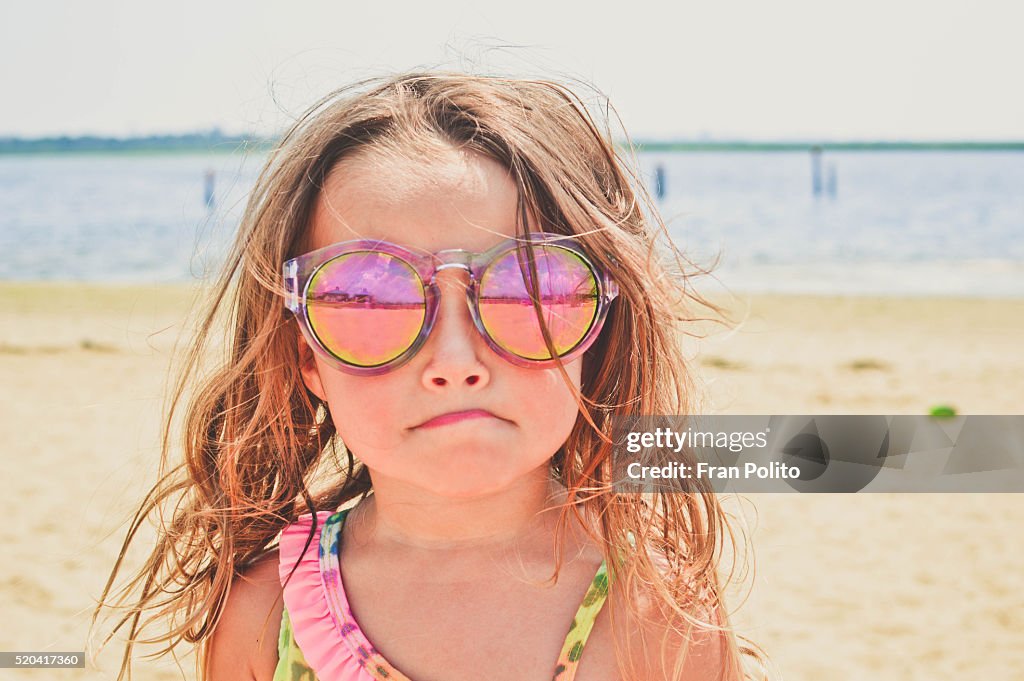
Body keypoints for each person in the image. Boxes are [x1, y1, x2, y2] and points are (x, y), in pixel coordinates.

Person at [89, 72, 768, 681]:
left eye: (527, 289)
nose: (455, 361)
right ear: (305, 358)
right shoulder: (265, 615)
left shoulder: (658, 615)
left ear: (595, 326)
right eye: (368, 298)